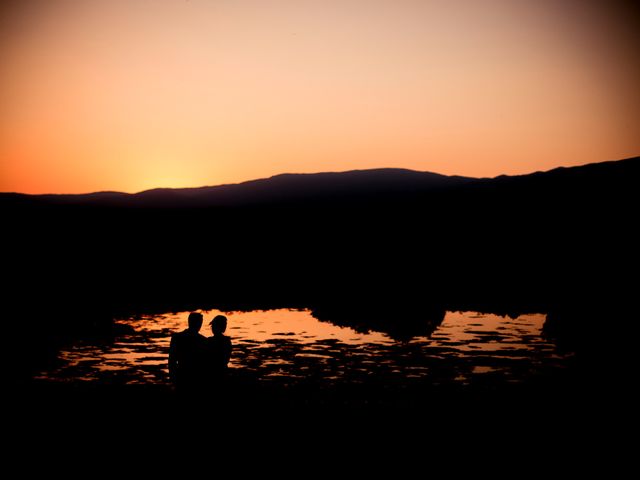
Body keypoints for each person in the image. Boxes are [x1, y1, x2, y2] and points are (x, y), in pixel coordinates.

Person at [168, 312, 207, 391]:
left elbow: (171, 361)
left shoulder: (177, 337)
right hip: (194, 378)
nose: (200, 325)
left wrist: (173, 377)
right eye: (199, 322)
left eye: (200, 322)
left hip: (183, 377)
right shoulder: (203, 340)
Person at [206, 314, 232, 380]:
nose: (211, 327)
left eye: (213, 326)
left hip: (212, 372)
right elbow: (227, 359)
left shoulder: (209, 341)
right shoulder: (227, 341)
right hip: (223, 371)